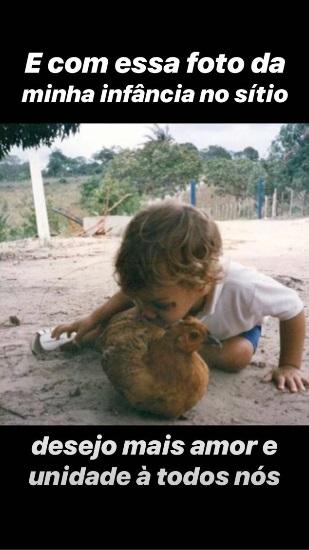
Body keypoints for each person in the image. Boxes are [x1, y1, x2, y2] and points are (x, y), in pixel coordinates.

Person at [51, 200, 307, 393]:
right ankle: (92, 336)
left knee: (236, 356)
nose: (144, 311)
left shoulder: (245, 288)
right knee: (134, 323)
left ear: (202, 282)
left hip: (232, 331)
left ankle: (169, 352)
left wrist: (289, 364)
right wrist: (93, 318)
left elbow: (293, 308)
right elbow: (133, 294)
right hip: (175, 321)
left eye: (158, 303)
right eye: (140, 300)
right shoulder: (159, 294)